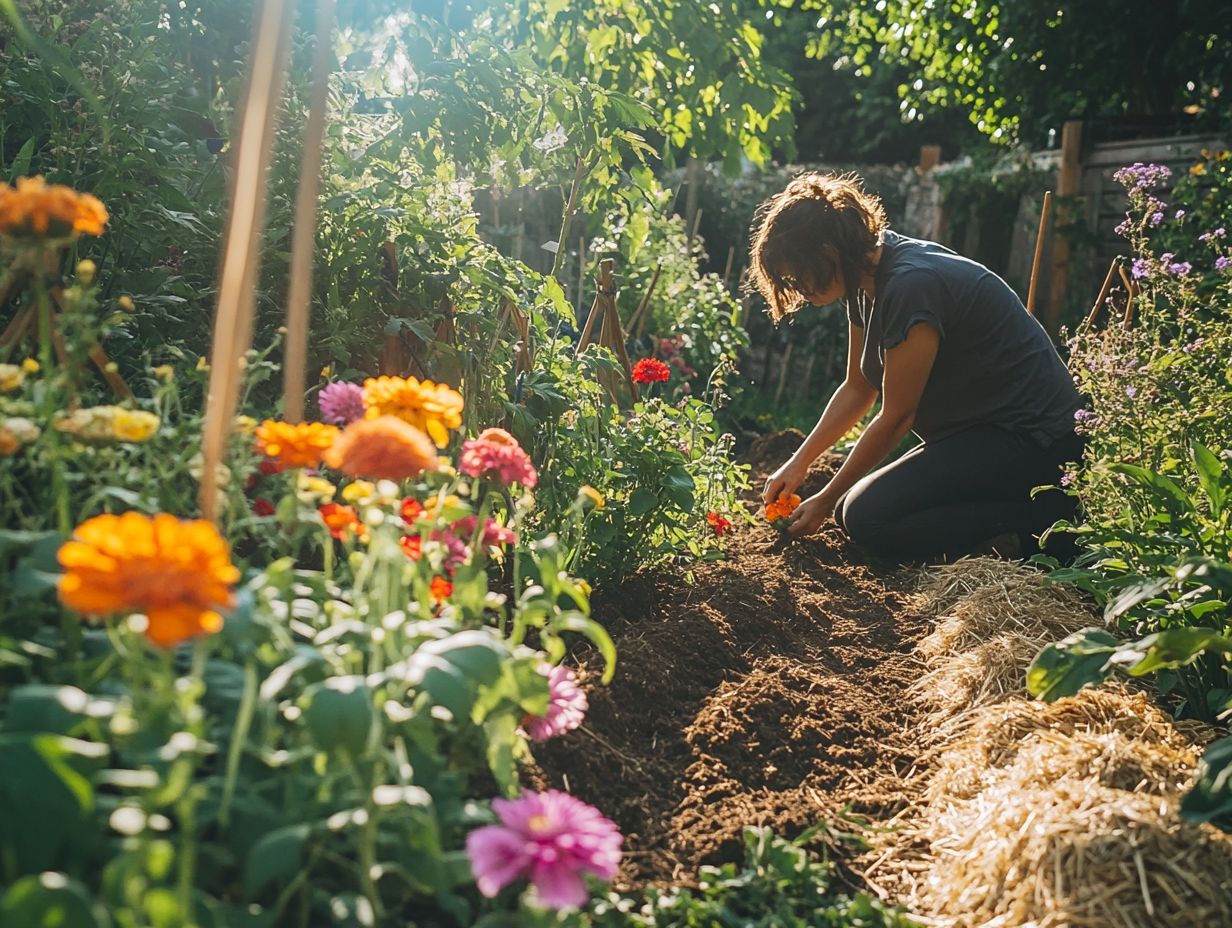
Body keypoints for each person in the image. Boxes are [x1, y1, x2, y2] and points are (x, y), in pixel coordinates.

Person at [748, 172, 1084, 561]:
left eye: (798, 271)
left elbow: (897, 417)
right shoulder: (864, 280)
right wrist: (799, 462)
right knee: (851, 509)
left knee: (864, 517)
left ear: (830, 252)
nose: (797, 286)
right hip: (979, 436)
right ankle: (1012, 518)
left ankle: (1034, 519)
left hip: (1035, 442)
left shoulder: (911, 286)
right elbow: (859, 388)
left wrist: (823, 500)